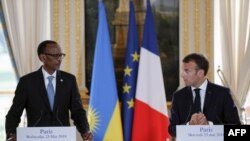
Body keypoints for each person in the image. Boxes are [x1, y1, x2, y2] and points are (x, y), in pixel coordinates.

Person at [5, 40, 93, 141]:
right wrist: (11, 135)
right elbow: (14, 114)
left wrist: (85, 131)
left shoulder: (69, 80)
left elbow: (78, 112)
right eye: (55, 55)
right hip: (35, 137)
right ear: (43, 57)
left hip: (62, 137)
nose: (59, 59)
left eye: (61, 55)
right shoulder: (27, 82)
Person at [168, 53, 241, 137]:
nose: (182, 75)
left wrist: (210, 126)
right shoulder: (178, 96)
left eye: (187, 71)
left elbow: (236, 129)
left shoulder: (223, 93)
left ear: (200, 73)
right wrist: (188, 125)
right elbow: (172, 130)